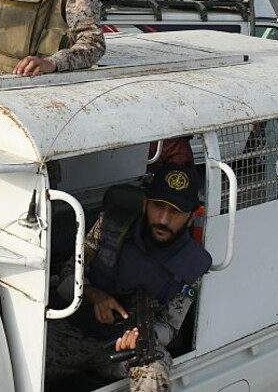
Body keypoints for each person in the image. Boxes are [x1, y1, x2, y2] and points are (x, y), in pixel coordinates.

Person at [47, 164, 212, 392]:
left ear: (192, 216)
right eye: (158, 206)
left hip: (124, 348)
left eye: (175, 212)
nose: (163, 219)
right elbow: (67, 274)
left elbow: (170, 324)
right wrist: (94, 296)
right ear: (145, 203)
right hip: (73, 333)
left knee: (153, 369)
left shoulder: (192, 264)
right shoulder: (109, 226)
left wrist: (143, 336)